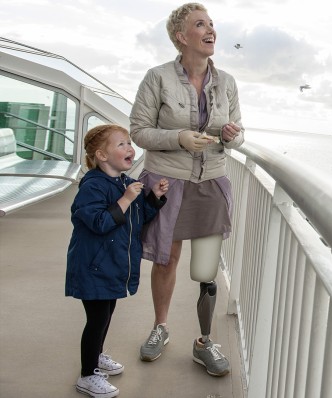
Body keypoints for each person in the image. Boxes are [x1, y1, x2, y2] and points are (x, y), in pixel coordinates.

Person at [129, 2, 244, 377]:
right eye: (201, 24)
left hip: (211, 182)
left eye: (212, 24)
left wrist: (231, 135)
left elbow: (239, 133)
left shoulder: (226, 82)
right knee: (166, 259)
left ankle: (205, 342)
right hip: (167, 181)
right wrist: (179, 138)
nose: (211, 30)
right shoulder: (157, 77)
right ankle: (161, 328)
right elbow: (139, 131)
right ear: (182, 37)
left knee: (207, 268)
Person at [66, 124, 168, 398]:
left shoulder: (123, 183)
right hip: (94, 266)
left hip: (110, 266)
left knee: (106, 314)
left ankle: (96, 356)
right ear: (101, 155)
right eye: (121, 144)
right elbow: (98, 222)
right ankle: (87, 376)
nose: (129, 149)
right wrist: (125, 198)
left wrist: (153, 199)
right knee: (97, 319)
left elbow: (137, 218)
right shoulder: (93, 186)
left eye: (129, 144)